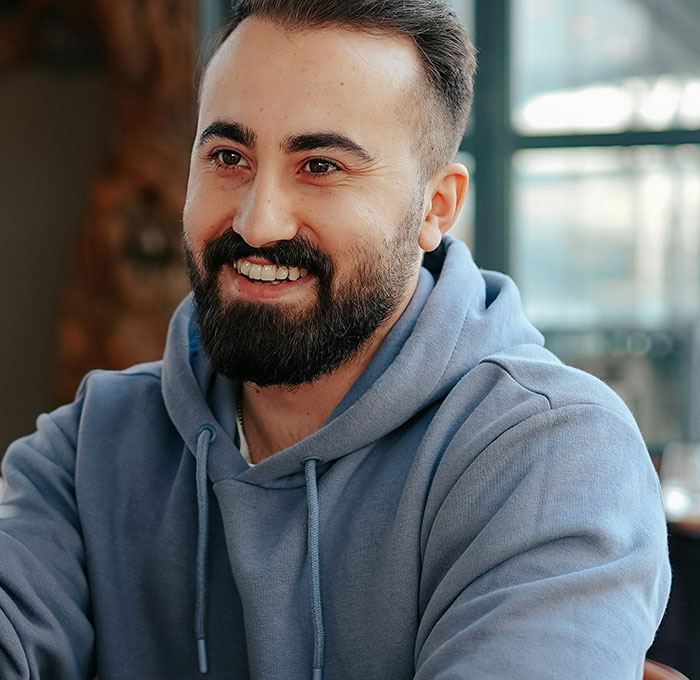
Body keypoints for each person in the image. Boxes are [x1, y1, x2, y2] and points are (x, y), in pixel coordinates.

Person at [0, 0, 670, 678]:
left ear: (436, 206)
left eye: (320, 166)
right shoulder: (89, 448)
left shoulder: (553, 456)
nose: (259, 223)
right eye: (228, 156)